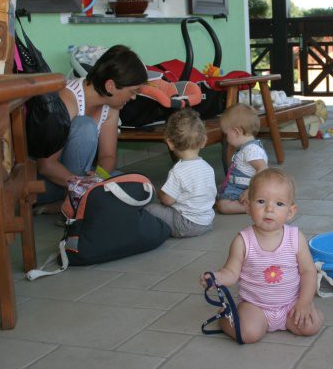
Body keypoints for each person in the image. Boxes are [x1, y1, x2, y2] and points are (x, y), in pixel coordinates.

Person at [200, 168, 323, 343]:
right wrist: (216, 277)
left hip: (290, 304)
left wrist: (304, 302)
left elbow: (308, 272)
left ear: (290, 212)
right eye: (261, 201)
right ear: (248, 207)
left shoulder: (296, 238)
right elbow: (231, 272)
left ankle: (307, 307)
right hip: (255, 307)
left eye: (279, 204)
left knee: (311, 326)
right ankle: (225, 317)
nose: (269, 209)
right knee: (249, 334)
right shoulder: (243, 241)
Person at [33, 45, 146, 214]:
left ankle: (73, 203)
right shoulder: (68, 98)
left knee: (136, 185)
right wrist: (82, 185)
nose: (134, 97)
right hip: (47, 184)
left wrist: (98, 177)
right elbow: (46, 166)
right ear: (110, 86)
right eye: (132, 91)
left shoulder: (111, 105)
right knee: (85, 126)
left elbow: (108, 157)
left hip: (76, 183)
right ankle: (72, 205)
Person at [144, 108, 217, 237]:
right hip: (207, 222)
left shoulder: (178, 171)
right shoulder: (208, 167)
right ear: (204, 141)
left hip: (186, 224)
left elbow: (167, 200)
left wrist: (160, 193)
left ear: (170, 143)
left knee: (150, 209)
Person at [215, 103, 268, 214]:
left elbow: (263, 169)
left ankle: (252, 208)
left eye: (226, 134)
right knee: (218, 194)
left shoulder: (251, 149)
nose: (226, 138)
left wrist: (251, 191)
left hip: (246, 188)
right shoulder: (246, 148)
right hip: (238, 186)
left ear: (236, 132)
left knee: (223, 206)